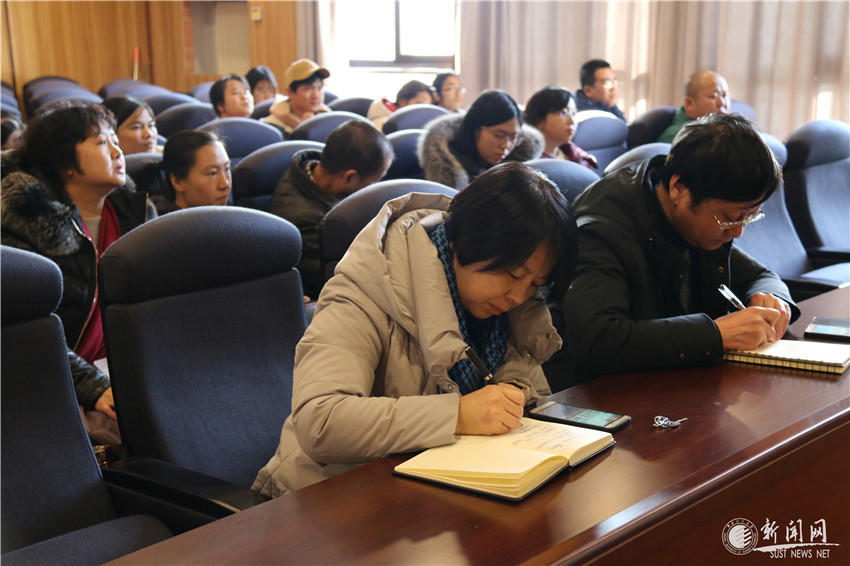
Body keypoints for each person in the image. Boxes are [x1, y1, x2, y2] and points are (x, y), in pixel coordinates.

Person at [253, 161, 579, 497]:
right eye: (512, 274)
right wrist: (457, 415)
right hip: (327, 496)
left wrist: (511, 393)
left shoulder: (506, 306)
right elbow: (320, 420)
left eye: (535, 283)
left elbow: (532, 393)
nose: (518, 296)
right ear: (462, 242)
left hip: (429, 488)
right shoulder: (366, 287)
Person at [558, 113, 798, 383]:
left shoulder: (698, 221)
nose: (737, 231)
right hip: (596, 392)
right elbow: (598, 340)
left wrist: (770, 298)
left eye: (750, 216)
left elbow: (760, 276)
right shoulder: (602, 230)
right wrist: (716, 334)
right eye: (731, 217)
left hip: (674, 380)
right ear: (678, 189)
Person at [1, 102, 156, 441]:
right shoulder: (22, 221)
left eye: (115, 140)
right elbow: (25, 334)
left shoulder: (137, 213)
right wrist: (92, 386)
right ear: (64, 164)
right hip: (48, 377)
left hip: (120, 367)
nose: (117, 151)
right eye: (101, 142)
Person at [269, 120, 393, 299]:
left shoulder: (318, 171)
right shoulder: (304, 219)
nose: (375, 187)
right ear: (349, 178)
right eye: (374, 181)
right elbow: (339, 281)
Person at [418, 89, 543, 190]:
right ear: (475, 130)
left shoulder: (514, 163)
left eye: (513, 137)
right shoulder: (451, 164)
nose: (506, 145)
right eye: (499, 136)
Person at [134, 129, 231, 215]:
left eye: (227, 169)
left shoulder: (229, 215)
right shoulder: (165, 227)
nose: (225, 184)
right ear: (178, 182)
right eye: (213, 173)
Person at [524, 85, 598, 171]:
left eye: (573, 114)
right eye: (563, 113)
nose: (571, 121)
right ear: (539, 120)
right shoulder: (529, 164)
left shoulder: (576, 155)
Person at [657, 70, 730, 143]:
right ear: (689, 103)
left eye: (724, 96)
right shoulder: (678, 137)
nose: (722, 103)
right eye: (713, 96)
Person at [263, 59, 331, 135]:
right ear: (290, 92)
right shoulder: (270, 127)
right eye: (308, 89)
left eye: (319, 88)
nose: (315, 95)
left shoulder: (328, 118)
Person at [367, 80, 435, 130]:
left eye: (426, 107)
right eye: (418, 105)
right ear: (402, 101)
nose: (422, 111)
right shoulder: (381, 124)